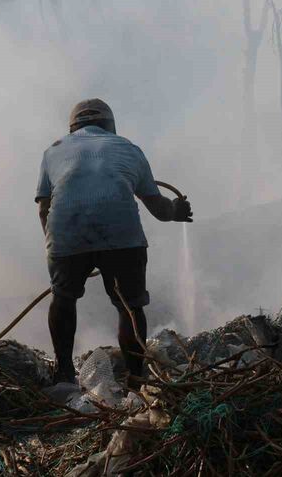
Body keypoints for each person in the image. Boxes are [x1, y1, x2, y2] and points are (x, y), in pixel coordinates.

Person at [35, 98, 192, 387]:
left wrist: (56, 246)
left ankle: (64, 372)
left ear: (72, 127)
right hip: (121, 235)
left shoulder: (53, 151)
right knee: (129, 307)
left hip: (66, 232)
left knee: (64, 298)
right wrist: (177, 211)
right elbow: (159, 208)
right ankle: (135, 379)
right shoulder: (129, 149)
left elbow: (44, 208)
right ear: (110, 125)